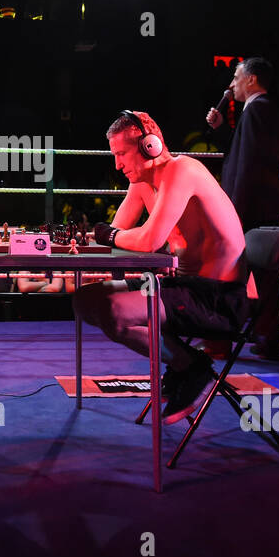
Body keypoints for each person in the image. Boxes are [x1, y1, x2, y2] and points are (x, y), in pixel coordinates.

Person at [74, 110, 250, 423]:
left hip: (219, 298)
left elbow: (148, 240)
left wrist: (111, 234)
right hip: (184, 289)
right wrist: (63, 240)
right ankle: (185, 363)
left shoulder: (183, 169)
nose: (117, 165)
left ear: (150, 145)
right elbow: (116, 235)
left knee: (116, 311)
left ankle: (190, 367)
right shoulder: (143, 182)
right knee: (84, 299)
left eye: (122, 154)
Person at [206, 57, 279, 358]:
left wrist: (234, 209)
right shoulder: (258, 110)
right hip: (257, 203)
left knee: (257, 271)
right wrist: (221, 130)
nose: (232, 84)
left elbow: (251, 165)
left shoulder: (259, 108)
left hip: (253, 204)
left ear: (251, 80)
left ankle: (263, 336)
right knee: (259, 271)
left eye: (236, 77)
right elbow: (244, 152)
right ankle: (263, 334)